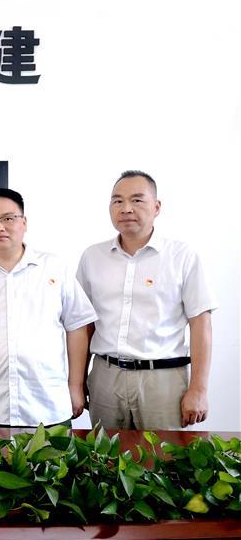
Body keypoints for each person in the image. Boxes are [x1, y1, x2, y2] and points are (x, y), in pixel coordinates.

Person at [0, 189, 97, 428]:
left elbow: (77, 327)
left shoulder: (55, 268)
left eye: (8, 218)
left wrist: (75, 386)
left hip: (47, 406)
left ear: (24, 223)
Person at [77, 171, 216, 430]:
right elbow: (84, 325)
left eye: (137, 200)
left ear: (157, 207)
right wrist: (77, 382)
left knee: (163, 454)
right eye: (117, 201)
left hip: (162, 380)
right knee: (103, 454)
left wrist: (199, 388)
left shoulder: (182, 256)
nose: (126, 208)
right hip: (105, 376)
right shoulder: (92, 257)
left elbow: (201, 325)